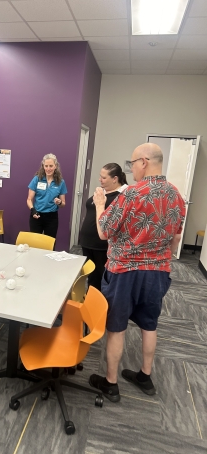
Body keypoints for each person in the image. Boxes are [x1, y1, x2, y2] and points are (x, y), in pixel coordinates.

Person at [89, 143, 185, 402]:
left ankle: (111, 383)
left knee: (117, 327)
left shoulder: (132, 194)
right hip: (158, 272)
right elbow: (176, 240)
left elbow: (103, 232)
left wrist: (100, 204)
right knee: (149, 324)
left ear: (144, 162)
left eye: (132, 164)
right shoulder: (176, 195)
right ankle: (145, 375)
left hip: (125, 272)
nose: (130, 169)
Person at [79, 163, 128, 291]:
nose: (100, 180)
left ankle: (100, 305)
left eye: (104, 178)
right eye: (100, 177)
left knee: (102, 277)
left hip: (101, 245)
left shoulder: (122, 196)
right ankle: (91, 302)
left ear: (115, 179)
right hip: (88, 243)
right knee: (91, 276)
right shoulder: (102, 192)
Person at [27, 153, 67, 239]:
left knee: (50, 244)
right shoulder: (37, 179)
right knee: (35, 243)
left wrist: (59, 202)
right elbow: (29, 199)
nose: (48, 169)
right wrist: (33, 210)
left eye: (51, 166)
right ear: (43, 166)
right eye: (46, 166)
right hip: (37, 215)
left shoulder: (60, 182)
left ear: (55, 166)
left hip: (51, 218)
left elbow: (63, 204)